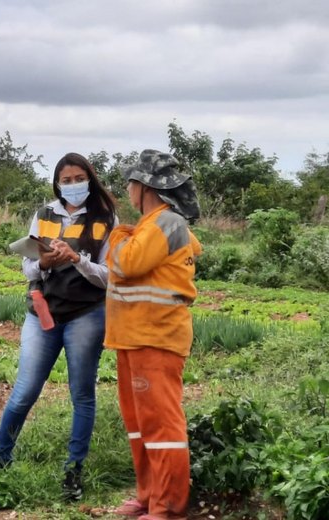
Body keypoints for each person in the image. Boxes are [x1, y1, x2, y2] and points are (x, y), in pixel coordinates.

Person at [0, 152, 117, 502]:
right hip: (42, 312)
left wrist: (77, 260)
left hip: (86, 315)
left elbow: (111, 276)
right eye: (67, 180)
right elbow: (27, 265)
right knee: (24, 392)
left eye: (80, 178)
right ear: (57, 183)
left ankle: (74, 472)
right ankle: (1, 459)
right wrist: (44, 262)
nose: (73, 185)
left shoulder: (106, 219)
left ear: (90, 179)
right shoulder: (44, 214)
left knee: (82, 394)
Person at [105, 150, 202, 520]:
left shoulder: (165, 223)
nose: (128, 189)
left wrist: (117, 236)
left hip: (156, 338)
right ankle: (148, 496)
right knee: (140, 426)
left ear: (144, 187)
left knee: (162, 425)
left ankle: (168, 507)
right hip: (133, 337)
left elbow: (126, 263)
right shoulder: (150, 225)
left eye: (131, 183)